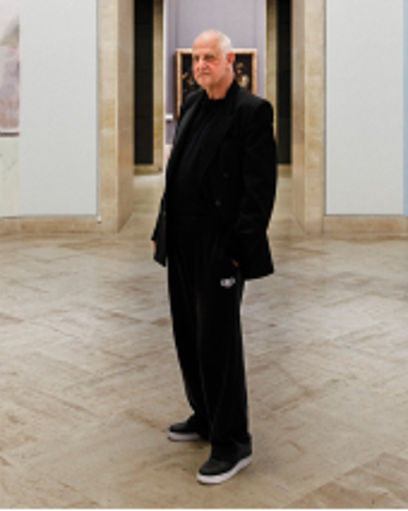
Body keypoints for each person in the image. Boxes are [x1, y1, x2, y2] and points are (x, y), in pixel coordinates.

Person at [152, 29, 277, 485]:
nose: (201, 64)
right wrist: (161, 231)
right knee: (188, 335)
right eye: (196, 58)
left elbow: (260, 190)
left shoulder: (252, 112)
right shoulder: (192, 104)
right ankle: (205, 416)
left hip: (220, 247)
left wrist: (239, 250)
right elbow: (176, 174)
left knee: (218, 343)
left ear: (230, 63)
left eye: (210, 57)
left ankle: (232, 443)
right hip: (182, 242)